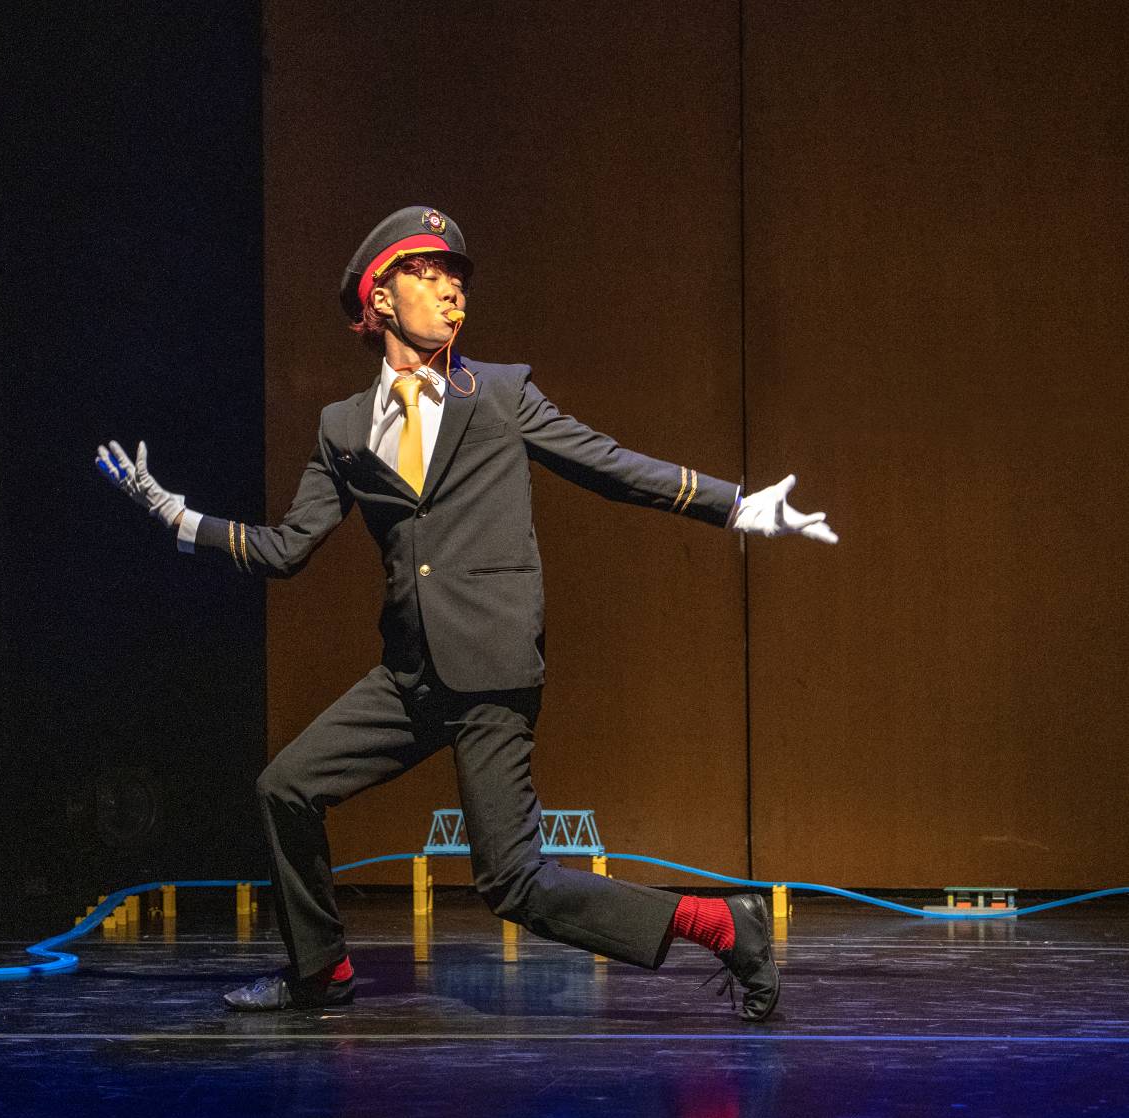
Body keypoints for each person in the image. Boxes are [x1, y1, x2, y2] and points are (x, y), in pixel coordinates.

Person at [96, 206, 836, 1022]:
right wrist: (179, 519)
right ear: (380, 299)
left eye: (458, 278)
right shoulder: (342, 428)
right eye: (429, 273)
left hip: (490, 669)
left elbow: (612, 467)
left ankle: (726, 925)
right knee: (285, 788)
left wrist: (740, 508)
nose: (452, 290)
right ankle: (321, 973)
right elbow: (287, 549)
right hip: (410, 673)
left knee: (513, 883)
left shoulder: (501, 395)